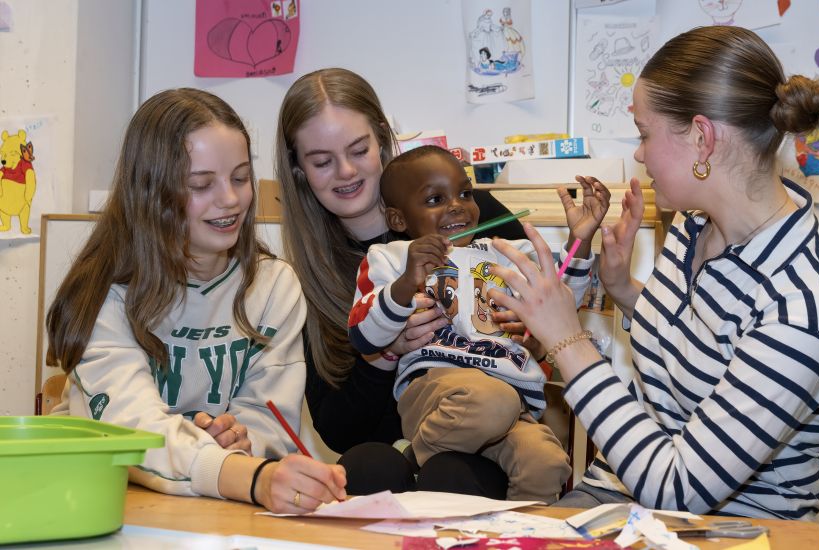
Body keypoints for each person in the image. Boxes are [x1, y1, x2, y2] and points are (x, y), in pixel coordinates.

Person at [486, 26, 819, 519]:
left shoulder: (807, 304)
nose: (640, 153)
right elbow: (704, 345)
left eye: (645, 134)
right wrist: (623, 289)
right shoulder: (695, 224)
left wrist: (568, 342)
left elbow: (678, 488)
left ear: (702, 138)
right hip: (622, 488)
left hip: (729, 526)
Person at [46, 88, 346, 513]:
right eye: (200, 185)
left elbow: (270, 419)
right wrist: (250, 476)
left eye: (241, 178)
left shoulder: (275, 285)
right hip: (97, 498)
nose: (230, 199)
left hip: (214, 497)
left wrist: (242, 439)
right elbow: (135, 434)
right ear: (151, 193)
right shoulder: (104, 293)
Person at [274, 68, 529, 497]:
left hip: (488, 433)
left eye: (359, 149)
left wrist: (521, 326)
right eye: (321, 161)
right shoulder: (309, 276)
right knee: (365, 465)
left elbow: (544, 319)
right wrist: (387, 350)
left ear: (382, 139)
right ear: (299, 170)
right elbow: (340, 431)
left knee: (452, 473)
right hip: (388, 453)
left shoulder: (464, 210)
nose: (346, 171)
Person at [347, 146, 610, 502]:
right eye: (436, 198)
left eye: (465, 193)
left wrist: (580, 240)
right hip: (439, 391)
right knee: (490, 402)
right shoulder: (391, 258)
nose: (457, 205)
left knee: (547, 463)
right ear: (397, 219)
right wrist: (406, 283)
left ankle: (517, 540)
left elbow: (558, 298)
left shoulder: (505, 251)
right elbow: (363, 336)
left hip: (513, 402)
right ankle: (417, 460)